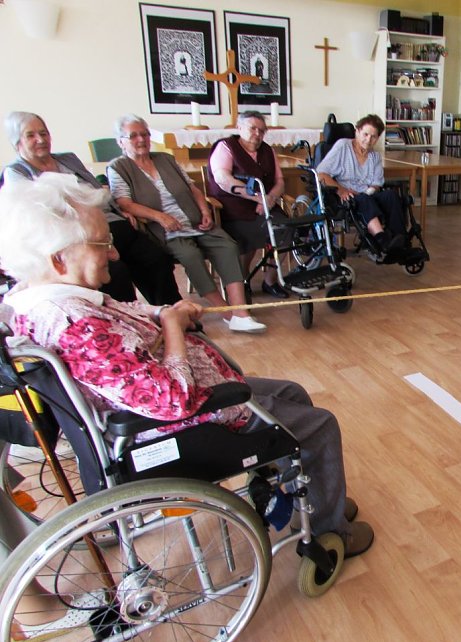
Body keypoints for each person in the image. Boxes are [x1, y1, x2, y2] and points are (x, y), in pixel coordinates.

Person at [0, 175, 373, 568]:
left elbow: (123, 316)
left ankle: (312, 500)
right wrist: (174, 328)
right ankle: (332, 532)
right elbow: (170, 400)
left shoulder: (37, 297)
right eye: (101, 244)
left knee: (292, 392)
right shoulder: (74, 323)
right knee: (322, 424)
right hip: (184, 422)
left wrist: (164, 312)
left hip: (183, 399)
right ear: (58, 257)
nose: (113, 254)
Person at [2, 111, 181, 306]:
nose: (40, 139)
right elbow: (37, 216)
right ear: (17, 142)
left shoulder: (67, 159)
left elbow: (95, 188)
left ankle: (175, 312)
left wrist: (121, 210)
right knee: (115, 274)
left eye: (43, 133)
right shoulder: (16, 173)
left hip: (110, 222)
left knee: (156, 259)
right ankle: (129, 321)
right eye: (31, 135)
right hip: (80, 238)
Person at [108, 115, 266, 334]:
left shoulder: (165, 159)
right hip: (163, 228)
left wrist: (204, 210)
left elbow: (192, 189)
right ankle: (225, 312)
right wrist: (160, 217)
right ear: (120, 141)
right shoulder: (119, 167)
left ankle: (240, 312)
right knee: (190, 256)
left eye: (144, 134)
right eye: (133, 136)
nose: (141, 139)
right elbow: (124, 203)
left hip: (193, 220)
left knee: (228, 246)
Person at [207, 110, 291, 298]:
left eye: (262, 130)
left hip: (266, 205)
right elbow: (222, 178)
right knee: (248, 235)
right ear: (239, 128)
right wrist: (257, 198)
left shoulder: (267, 150)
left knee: (284, 230)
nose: (257, 134)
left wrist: (269, 199)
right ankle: (242, 281)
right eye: (253, 128)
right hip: (233, 207)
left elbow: (280, 182)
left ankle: (270, 280)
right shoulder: (226, 147)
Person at [316, 113, 406, 255]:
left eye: (374, 136)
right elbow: (321, 173)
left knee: (391, 195)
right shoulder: (343, 146)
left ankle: (399, 240)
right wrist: (341, 190)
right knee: (364, 200)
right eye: (365, 134)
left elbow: (376, 184)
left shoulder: (374, 156)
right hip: (345, 196)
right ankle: (382, 240)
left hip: (366, 195)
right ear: (356, 131)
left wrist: (369, 191)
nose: (368, 140)